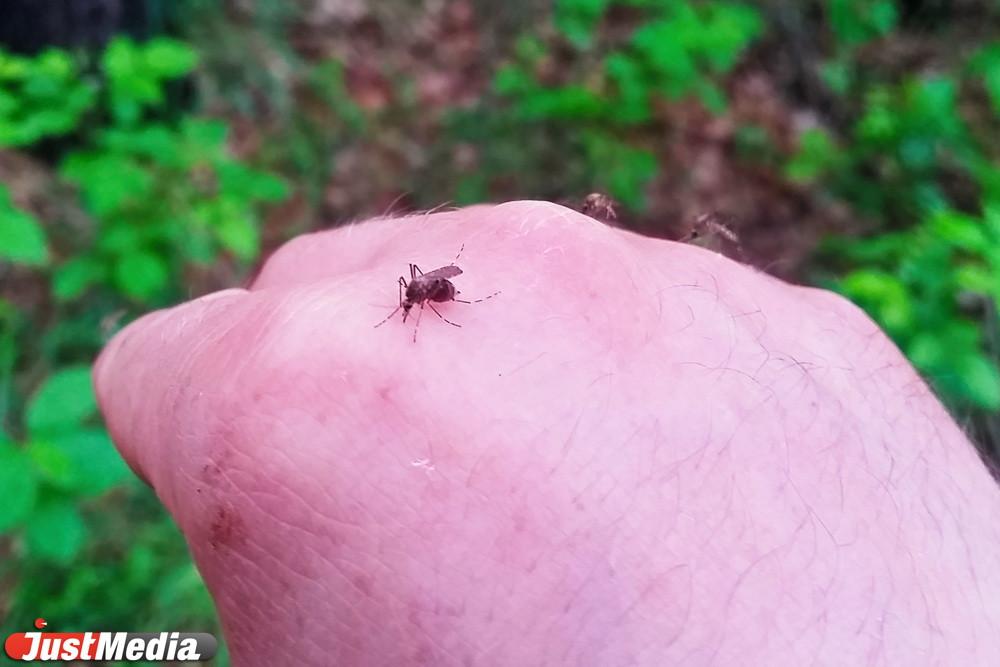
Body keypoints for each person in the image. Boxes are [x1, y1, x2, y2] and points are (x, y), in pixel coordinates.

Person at [94, 201, 1000, 665]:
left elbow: (436, 287)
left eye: (422, 293)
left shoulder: (430, 294)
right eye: (422, 294)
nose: (418, 298)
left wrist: (448, 296)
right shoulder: (415, 293)